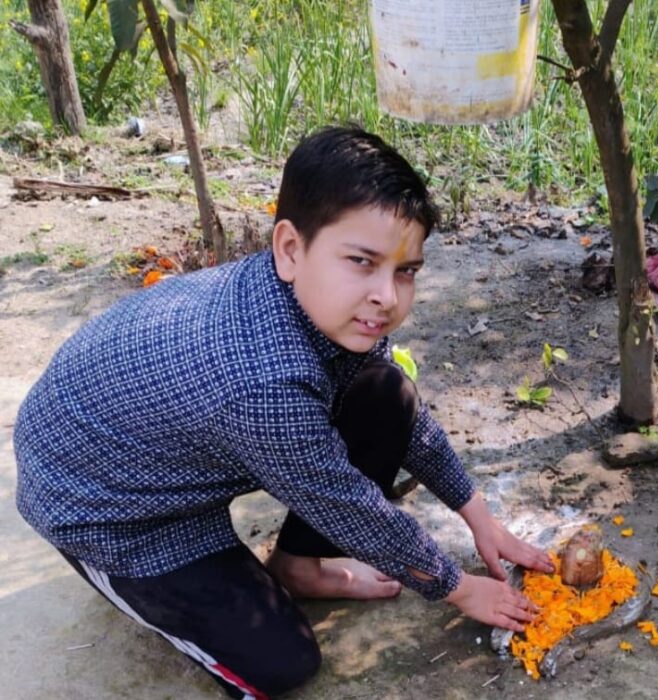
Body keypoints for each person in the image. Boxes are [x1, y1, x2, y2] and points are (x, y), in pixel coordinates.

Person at [14, 125, 554, 699]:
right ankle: (129, 571)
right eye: (363, 261)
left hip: (164, 445)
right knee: (280, 664)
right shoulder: (264, 383)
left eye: (406, 270)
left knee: (384, 391)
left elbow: (403, 416)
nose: (388, 296)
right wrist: (457, 587)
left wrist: (479, 516)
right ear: (290, 249)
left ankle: (298, 566)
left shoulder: (324, 304)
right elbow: (351, 508)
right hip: (106, 506)